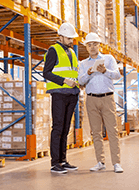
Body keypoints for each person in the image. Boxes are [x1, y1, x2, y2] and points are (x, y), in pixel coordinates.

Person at [78, 32, 124, 173]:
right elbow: (80, 81)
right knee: (96, 132)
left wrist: (105, 71)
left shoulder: (109, 59)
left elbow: (117, 75)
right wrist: (88, 74)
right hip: (91, 99)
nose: (92, 47)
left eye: (95, 44)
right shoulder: (83, 64)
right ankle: (100, 162)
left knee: (112, 131)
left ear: (99, 45)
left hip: (107, 98)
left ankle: (116, 163)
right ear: (86, 47)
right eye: (89, 45)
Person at [43, 23, 79, 174]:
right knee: (58, 127)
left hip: (72, 94)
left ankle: (63, 161)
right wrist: (64, 81)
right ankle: (54, 163)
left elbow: (73, 72)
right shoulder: (53, 50)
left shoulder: (71, 52)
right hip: (59, 93)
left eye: (72, 38)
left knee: (65, 128)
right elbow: (46, 73)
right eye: (69, 38)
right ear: (61, 36)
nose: (71, 41)